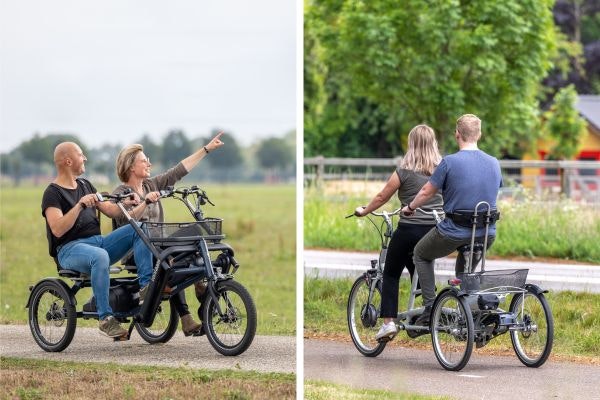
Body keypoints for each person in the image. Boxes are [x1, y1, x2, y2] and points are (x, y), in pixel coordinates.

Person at [112, 132, 224, 336]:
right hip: (138, 251)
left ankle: (200, 284)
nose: (149, 164)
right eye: (145, 161)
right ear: (131, 166)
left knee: (193, 232)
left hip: (161, 245)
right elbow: (125, 220)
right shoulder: (121, 192)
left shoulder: (151, 185)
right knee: (170, 260)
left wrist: (206, 149)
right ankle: (186, 318)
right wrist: (145, 202)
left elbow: (179, 170)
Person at [41, 142, 154, 338]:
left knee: (140, 228)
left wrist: (124, 203)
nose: (84, 158)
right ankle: (105, 319)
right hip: (69, 250)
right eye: (81, 155)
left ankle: (146, 289)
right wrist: (79, 206)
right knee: (100, 256)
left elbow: (110, 210)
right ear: (68, 161)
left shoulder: (85, 185)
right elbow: (58, 229)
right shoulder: (52, 193)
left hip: (97, 242)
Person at [401, 114, 503, 327]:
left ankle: (430, 308)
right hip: (486, 233)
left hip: (454, 230)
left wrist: (410, 208)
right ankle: (471, 316)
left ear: (457, 135)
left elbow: (427, 191)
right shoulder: (494, 163)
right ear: (479, 134)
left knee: (420, 253)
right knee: (463, 274)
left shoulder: (449, 162)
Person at [354, 124, 444, 341]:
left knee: (391, 273)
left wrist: (364, 211)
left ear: (411, 144)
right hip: (435, 230)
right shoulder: (442, 170)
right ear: (433, 144)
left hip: (410, 229)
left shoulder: (403, 171)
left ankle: (388, 324)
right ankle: (423, 315)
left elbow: (382, 197)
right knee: (419, 269)